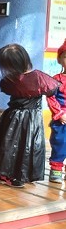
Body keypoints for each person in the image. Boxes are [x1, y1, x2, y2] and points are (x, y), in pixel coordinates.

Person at [0, 43, 61, 188]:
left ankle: (5, 173)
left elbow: (5, 88)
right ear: (25, 58)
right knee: (28, 146)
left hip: (12, 116)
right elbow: (52, 89)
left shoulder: (9, 80)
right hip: (32, 118)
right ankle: (20, 176)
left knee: (9, 145)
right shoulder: (39, 77)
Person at [47, 39, 66, 183]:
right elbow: (51, 98)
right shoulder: (56, 80)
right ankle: (56, 170)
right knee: (59, 143)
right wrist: (59, 114)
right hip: (61, 119)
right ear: (59, 59)